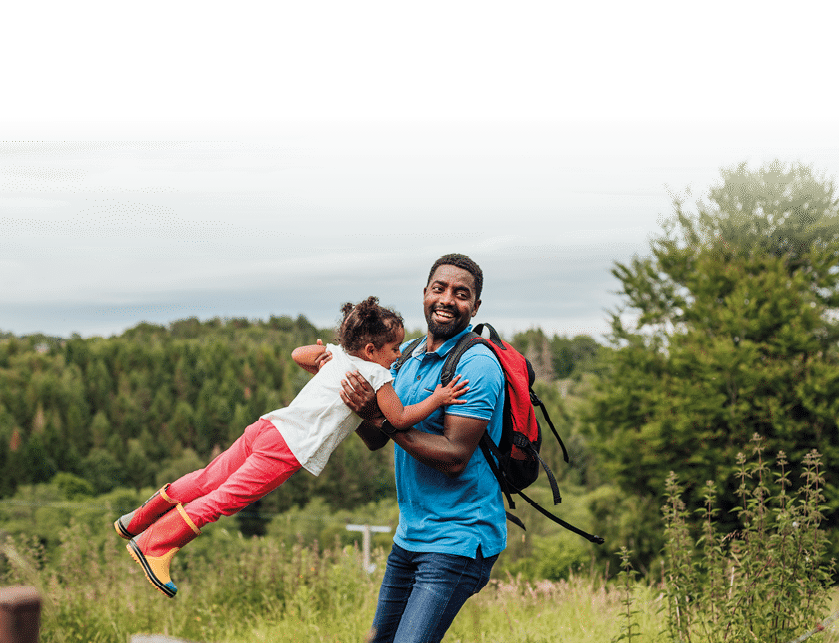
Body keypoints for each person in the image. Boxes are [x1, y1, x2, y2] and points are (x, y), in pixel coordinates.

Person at [113, 296, 469, 598]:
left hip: (268, 427)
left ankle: (136, 520)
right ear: (372, 350)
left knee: (207, 479)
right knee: (226, 499)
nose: (398, 356)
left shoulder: (339, 356)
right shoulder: (377, 374)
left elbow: (298, 353)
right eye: (394, 349)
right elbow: (402, 417)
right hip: (288, 448)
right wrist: (438, 398)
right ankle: (153, 544)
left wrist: (321, 359)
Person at [340, 254, 506, 643]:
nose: (448, 299)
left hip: (459, 539)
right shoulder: (406, 357)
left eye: (461, 294)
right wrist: (357, 407)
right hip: (410, 536)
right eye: (440, 288)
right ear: (426, 294)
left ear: (475, 307)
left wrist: (380, 418)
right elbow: (378, 438)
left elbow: (454, 457)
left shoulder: (477, 364)